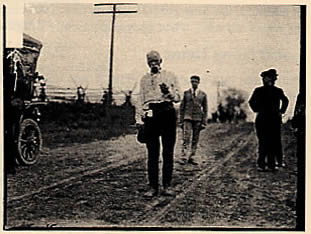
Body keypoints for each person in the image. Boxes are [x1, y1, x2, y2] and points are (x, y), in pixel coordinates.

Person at [137, 50, 180, 197]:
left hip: (167, 111)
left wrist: (168, 92)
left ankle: (167, 185)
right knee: (152, 152)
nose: (153, 64)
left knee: (168, 151)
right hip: (151, 113)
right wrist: (139, 119)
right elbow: (140, 100)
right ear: (147, 63)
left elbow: (178, 98)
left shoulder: (170, 76)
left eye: (156, 61)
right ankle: (153, 187)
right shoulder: (144, 79)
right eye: (150, 61)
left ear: (161, 61)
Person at [249, 68, 289, 171]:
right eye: (263, 78)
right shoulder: (258, 90)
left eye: (266, 78)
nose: (264, 80)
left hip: (274, 119)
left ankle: (273, 164)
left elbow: (285, 101)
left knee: (274, 140)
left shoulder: (278, 91)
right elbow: (251, 102)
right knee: (263, 141)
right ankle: (262, 164)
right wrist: (257, 110)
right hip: (262, 119)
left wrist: (281, 111)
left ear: (272, 79)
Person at [179, 75, 208, 165]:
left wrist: (204, 122)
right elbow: (182, 107)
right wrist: (181, 121)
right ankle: (184, 156)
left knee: (195, 138)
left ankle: (193, 156)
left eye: (196, 81)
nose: (194, 83)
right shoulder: (186, 93)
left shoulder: (203, 94)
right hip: (187, 118)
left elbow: (205, 109)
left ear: (199, 82)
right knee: (186, 137)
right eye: (192, 82)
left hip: (198, 119)